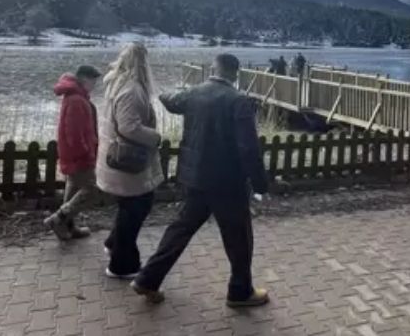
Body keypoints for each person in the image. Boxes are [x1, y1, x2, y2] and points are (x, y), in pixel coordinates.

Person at [133, 53, 270, 307]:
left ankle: (147, 278)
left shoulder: (193, 94)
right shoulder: (239, 101)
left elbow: (168, 99)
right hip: (228, 184)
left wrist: (171, 90)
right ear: (235, 74)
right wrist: (261, 184)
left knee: (180, 230)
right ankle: (240, 292)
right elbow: (249, 149)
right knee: (239, 238)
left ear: (212, 70)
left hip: (195, 178)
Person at [95, 43, 164, 279]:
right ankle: (122, 264)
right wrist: (155, 137)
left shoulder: (117, 83)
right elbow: (129, 127)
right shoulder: (132, 90)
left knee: (129, 207)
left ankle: (113, 243)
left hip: (117, 160)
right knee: (136, 207)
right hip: (128, 164)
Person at [44, 65, 102, 240]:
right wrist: (85, 152)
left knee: (74, 188)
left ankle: (68, 226)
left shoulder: (75, 97)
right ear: (84, 79)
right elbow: (74, 133)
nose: (95, 84)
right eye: (93, 80)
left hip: (74, 155)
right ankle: (59, 219)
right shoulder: (77, 100)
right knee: (92, 189)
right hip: (79, 156)